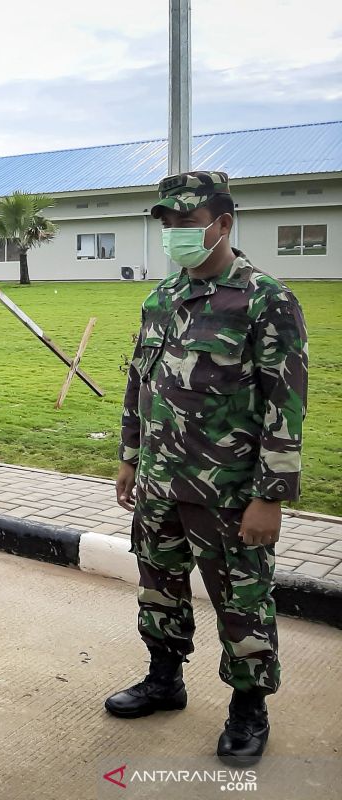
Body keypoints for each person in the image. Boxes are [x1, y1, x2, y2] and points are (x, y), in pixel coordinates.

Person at [108, 171, 309, 767]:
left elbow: (286, 402)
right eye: (167, 225)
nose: (175, 236)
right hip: (160, 481)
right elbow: (139, 383)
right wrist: (129, 457)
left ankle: (249, 707)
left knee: (241, 601)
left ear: (223, 224)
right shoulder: (161, 299)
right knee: (159, 586)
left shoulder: (265, 299)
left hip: (228, 490)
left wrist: (269, 495)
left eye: (187, 225)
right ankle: (163, 679)